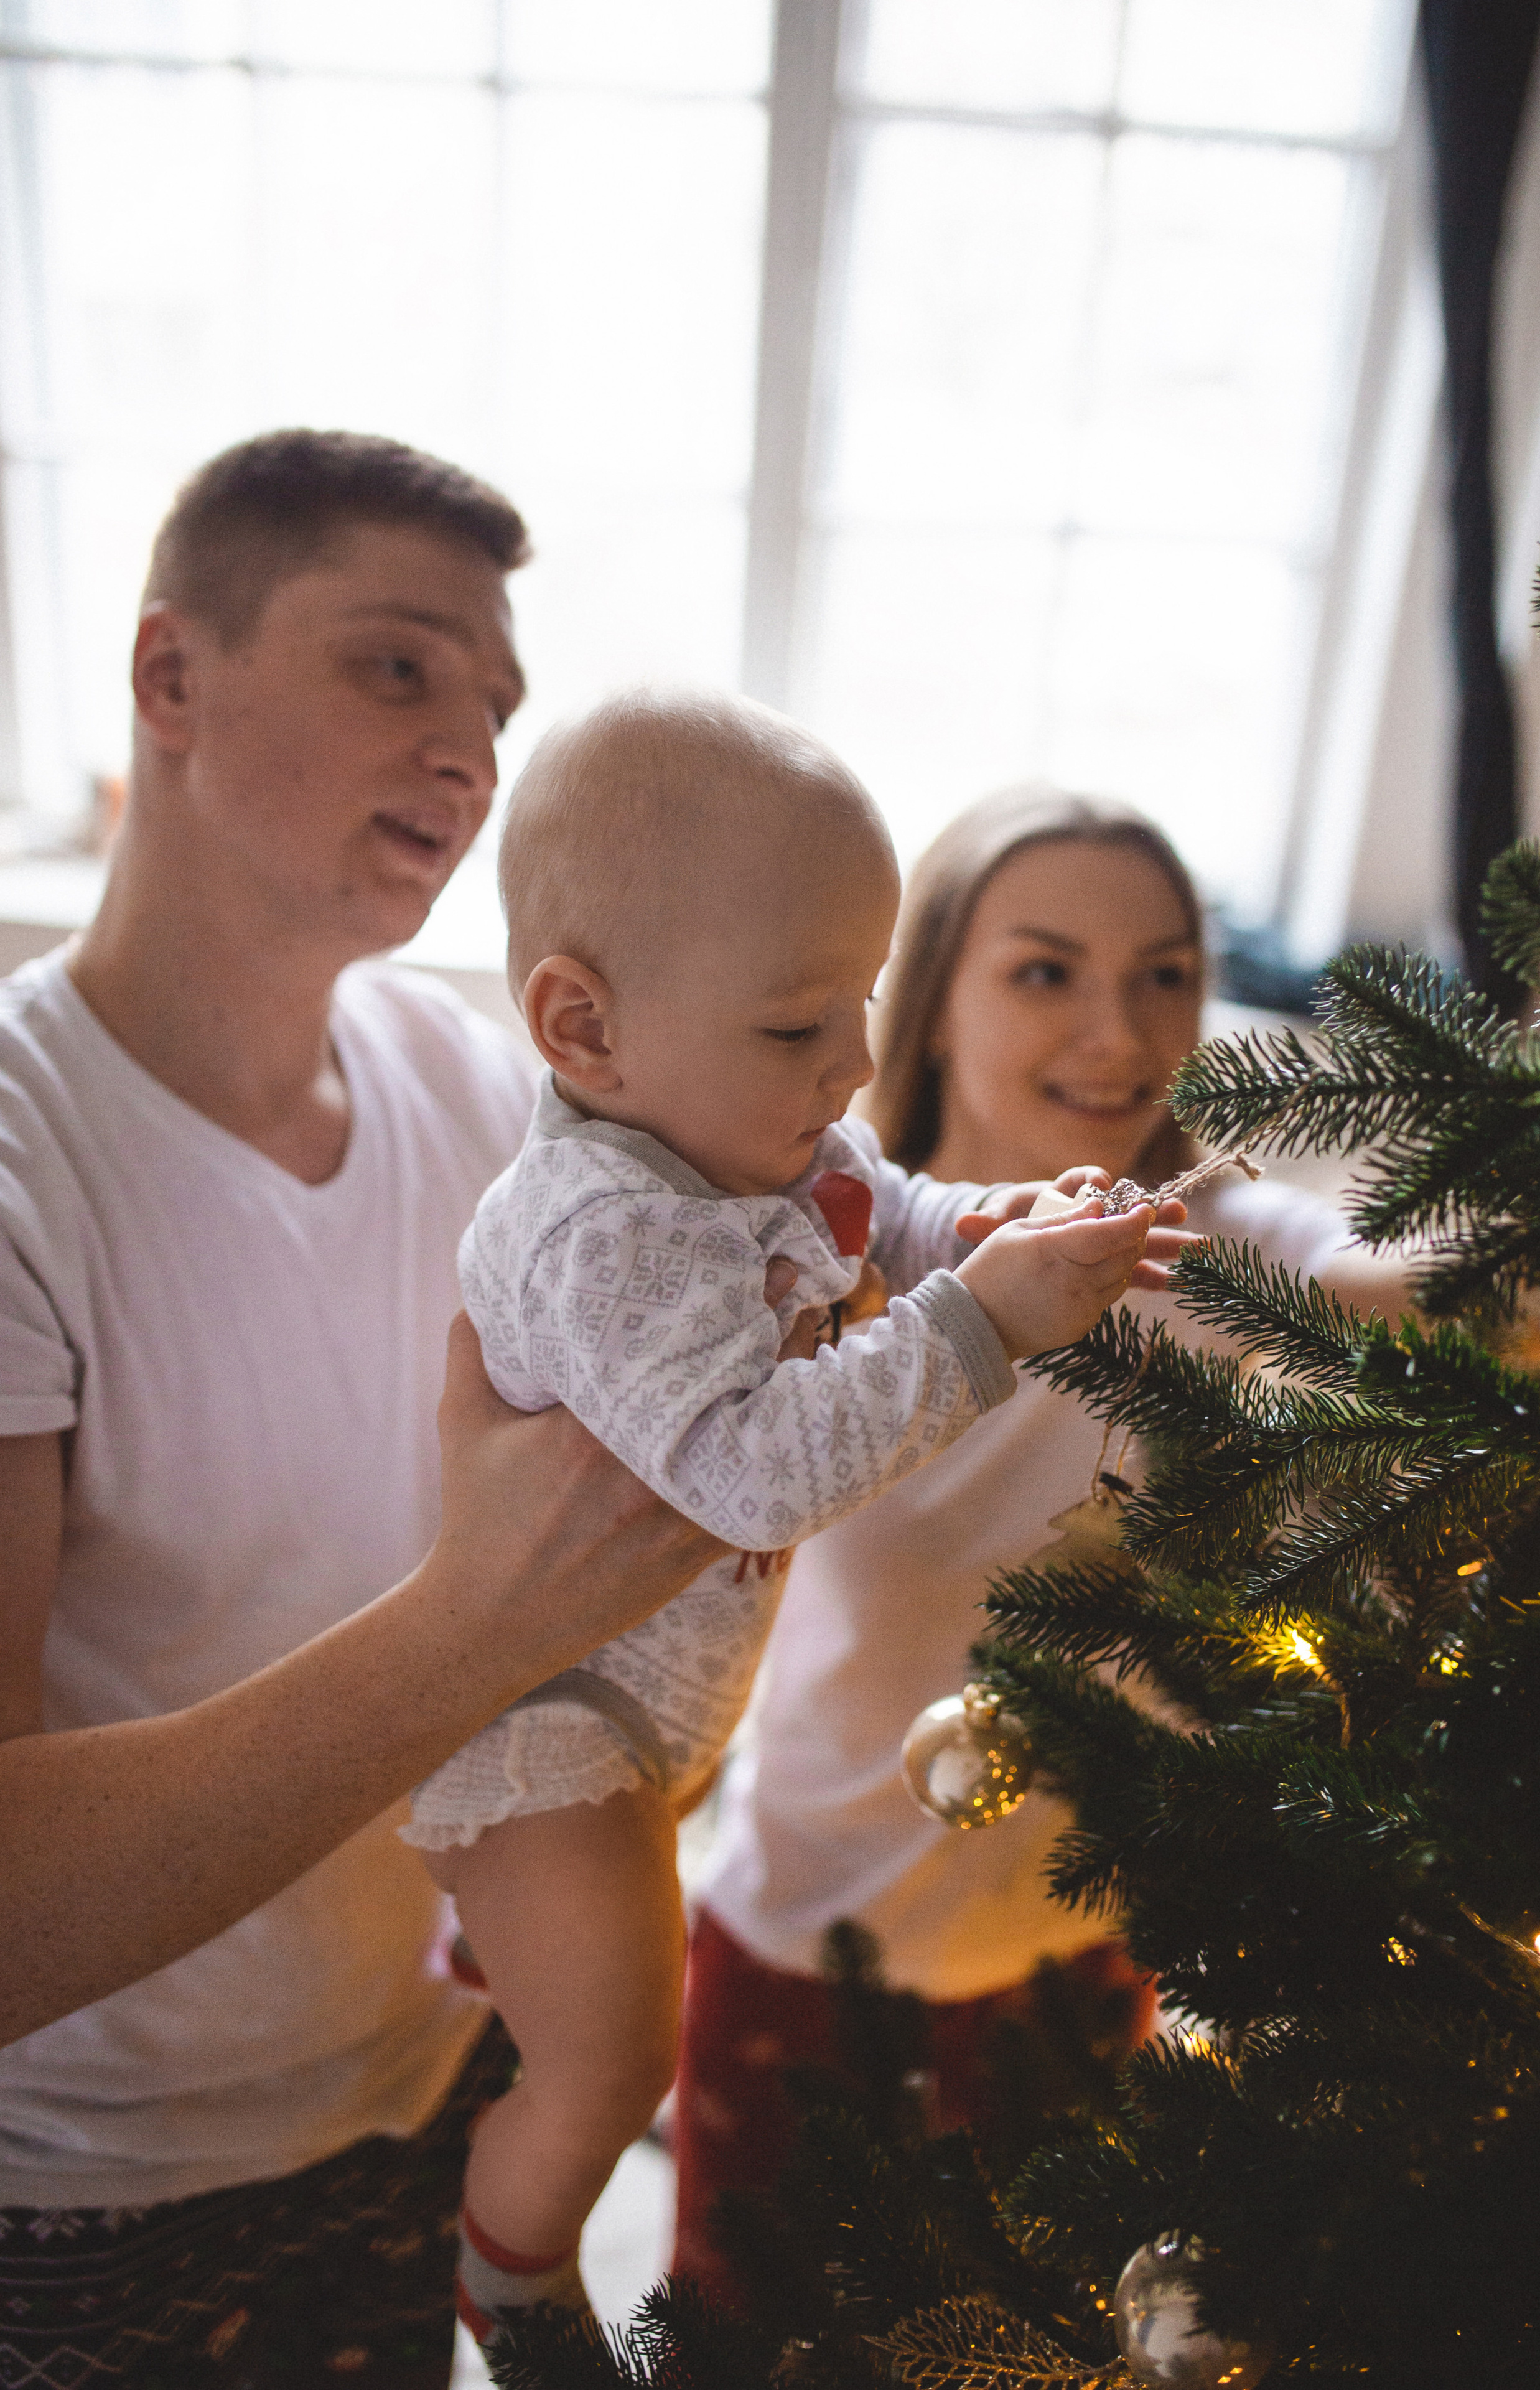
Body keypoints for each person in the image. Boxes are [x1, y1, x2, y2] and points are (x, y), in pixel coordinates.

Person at [0, 431, 738, 2389]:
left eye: (495, 706)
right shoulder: (21, 1161)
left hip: (421, 2087)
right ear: (172, 676)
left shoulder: (482, 1088)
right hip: (86, 2195)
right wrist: (479, 1626)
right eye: (398, 667)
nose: (471, 755)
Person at [406, 692, 1197, 2346]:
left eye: (861, 1003)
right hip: (554, 1719)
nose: (847, 1063)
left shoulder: (747, 1133)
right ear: (583, 1027)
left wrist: (984, 1223)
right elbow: (753, 1469)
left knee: (593, 2004)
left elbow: (878, 1204)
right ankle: (510, 2270)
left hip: (662, 1723)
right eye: (795, 1026)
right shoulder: (600, 1229)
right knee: (613, 2057)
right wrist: (983, 1320)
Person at [672, 782, 1413, 2308]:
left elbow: (1392, 1277)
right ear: (931, 1002)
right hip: (805, 1956)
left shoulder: (1213, 1249)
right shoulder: (820, 1255)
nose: (1117, 1032)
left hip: (1075, 1959)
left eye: (1162, 974)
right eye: (1043, 970)